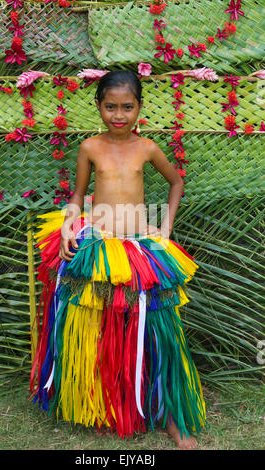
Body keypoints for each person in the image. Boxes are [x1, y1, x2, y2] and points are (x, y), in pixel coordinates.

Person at [30, 70, 207, 450]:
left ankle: (171, 415)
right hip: (99, 244)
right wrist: (67, 224)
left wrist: (166, 227)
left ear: (139, 108)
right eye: (110, 106)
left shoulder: (147, 148)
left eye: (127, 107)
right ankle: (107, 405)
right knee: (104, 328)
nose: (119, 115)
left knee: (158, 327)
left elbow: (176, 182)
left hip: (140, 248)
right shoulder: (89, 147)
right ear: (99, 106)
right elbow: (78, 195)